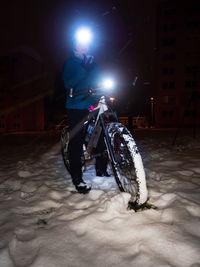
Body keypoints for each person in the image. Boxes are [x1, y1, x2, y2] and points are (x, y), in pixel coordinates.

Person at [63, 27, 109, 194]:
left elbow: (100, 79)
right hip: (76, 104)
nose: (83, 46)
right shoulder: (71, 63)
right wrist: (85, 69)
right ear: (75, 45)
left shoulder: (92, 63)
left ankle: (101, 168)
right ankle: (77, 177)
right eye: (80, 43)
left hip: (93, 102)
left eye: (86, 43)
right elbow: (69, 82)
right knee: (77, 139)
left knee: (104, 131)